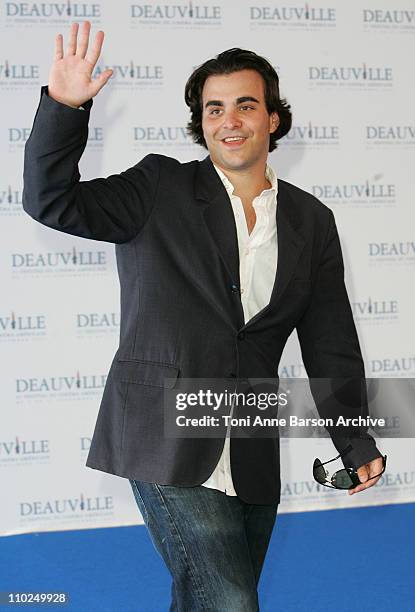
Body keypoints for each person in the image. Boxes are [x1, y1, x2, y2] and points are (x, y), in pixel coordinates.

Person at [22, 21, 384, 612]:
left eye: (245, 104)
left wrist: (353, 437)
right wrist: (65, 107)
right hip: (162, 432)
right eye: (213, 109)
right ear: (201, 123)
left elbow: (330, 342)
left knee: (213, 601)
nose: (229, 120)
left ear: (272, 117)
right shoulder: (158, 186)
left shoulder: (311, 220)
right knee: (229, 600)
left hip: (250, 438)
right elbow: (50, 199)